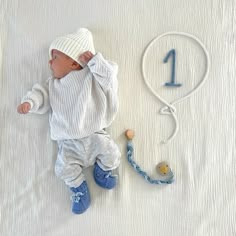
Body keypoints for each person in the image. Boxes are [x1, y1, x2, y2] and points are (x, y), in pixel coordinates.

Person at [17, 28, 121, 214]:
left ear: (74, 62)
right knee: (63, 169)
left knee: (113, 154)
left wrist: (95, 62)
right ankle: (79, 189)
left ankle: (102, 171)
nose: (49, 62)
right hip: (69, 143)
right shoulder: (52, 85)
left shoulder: (91, 76)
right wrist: (30, 102)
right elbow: (39, 94)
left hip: (95, 135)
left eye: (55, 57)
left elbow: (110, 78)